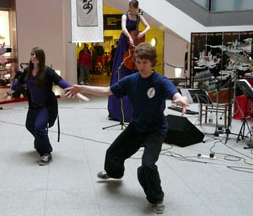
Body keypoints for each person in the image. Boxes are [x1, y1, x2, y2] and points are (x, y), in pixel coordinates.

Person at [65, 43, 189, 214]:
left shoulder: (160, 81)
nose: (141, 66)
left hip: (155, 129)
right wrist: (82, 88)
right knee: (113, 153)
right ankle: (114, 173)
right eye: (138, 62)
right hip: (137, 126)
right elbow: (108, 91)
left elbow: (174, 93)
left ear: (152, 62)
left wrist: (179, 98)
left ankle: (157, 198)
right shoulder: (131, 80)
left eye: (145, 62)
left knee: (147, 166)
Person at [11, 47, 88, 166]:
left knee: (39, 127)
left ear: (41, 58)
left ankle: (46, 153)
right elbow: (19, 83)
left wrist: (75, 92)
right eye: (32, 55)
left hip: (46, 106)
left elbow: (61, 82)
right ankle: (40, 142)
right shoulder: (27, 71)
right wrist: (10, 89)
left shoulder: (48, 71)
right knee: (29, 125)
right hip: (34, 106)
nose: (34, 57)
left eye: (36, 55)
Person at [108, 0, 151, 122]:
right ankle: (115, 109)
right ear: (129, 7)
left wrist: (142, 34)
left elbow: (148, 26)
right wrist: (129, 38)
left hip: (135, 43)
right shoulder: (124, 16)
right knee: (120, 69)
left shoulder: (138, 16)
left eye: (134, 8)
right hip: (125, 43)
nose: (132, 10)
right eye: (131, 8)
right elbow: (123, 28)